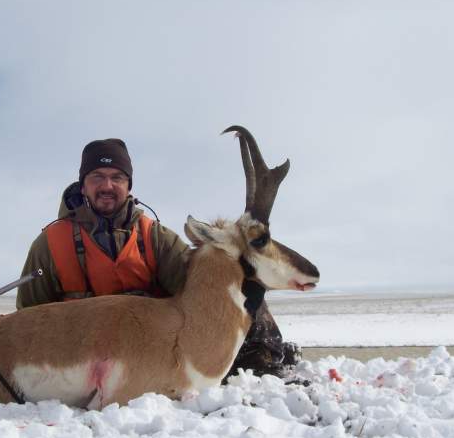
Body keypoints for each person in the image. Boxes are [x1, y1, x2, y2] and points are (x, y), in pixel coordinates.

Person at [16, 138, 298, 376]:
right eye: (97, 177)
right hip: (82, 363)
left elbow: (202, 290)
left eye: (117, 178)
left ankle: (262, 359)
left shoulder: (155, 238)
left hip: (151, 355)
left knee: (233, 279)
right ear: (83, 185)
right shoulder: (49, 245)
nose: (107, 186)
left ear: (129, 185)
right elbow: (28, 317)